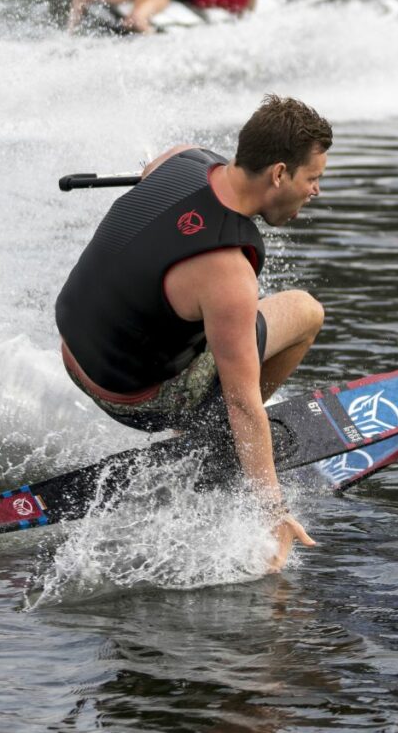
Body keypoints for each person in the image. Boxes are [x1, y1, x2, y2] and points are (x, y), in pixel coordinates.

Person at [56, 95, 333, 571]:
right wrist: (271, 510)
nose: (316, 192)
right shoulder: (226, 272)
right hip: (133, 396)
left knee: (201, 316)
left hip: (72, 355)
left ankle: (200, 410)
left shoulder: (184, 160)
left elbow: (154, 168)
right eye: (314, 178)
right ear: (280, 173)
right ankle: (211, 436)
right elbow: (243, 402)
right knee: (305, 312)